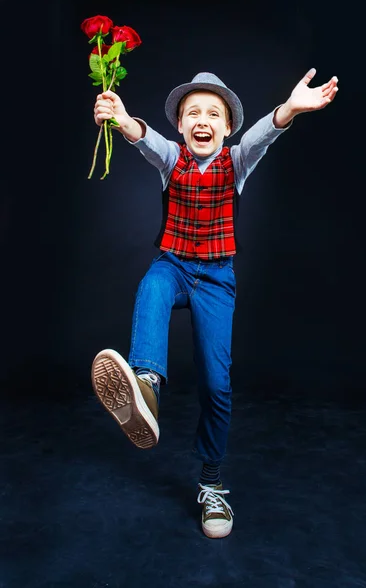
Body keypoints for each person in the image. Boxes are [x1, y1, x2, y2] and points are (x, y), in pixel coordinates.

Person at [90, 68, 338, 539]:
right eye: (192, 114)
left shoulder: (237, 161)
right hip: (175, 266)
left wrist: (290, 110)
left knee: (217, 387)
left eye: (213, 115)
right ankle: (145, 385)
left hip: (217, 281)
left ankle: (211, 483)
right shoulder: (171, 161)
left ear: (227, 128)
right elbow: (144, 139)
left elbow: (266, 134)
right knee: (153, 284)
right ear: (181, 126)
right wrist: (123, 120)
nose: (202, 121)